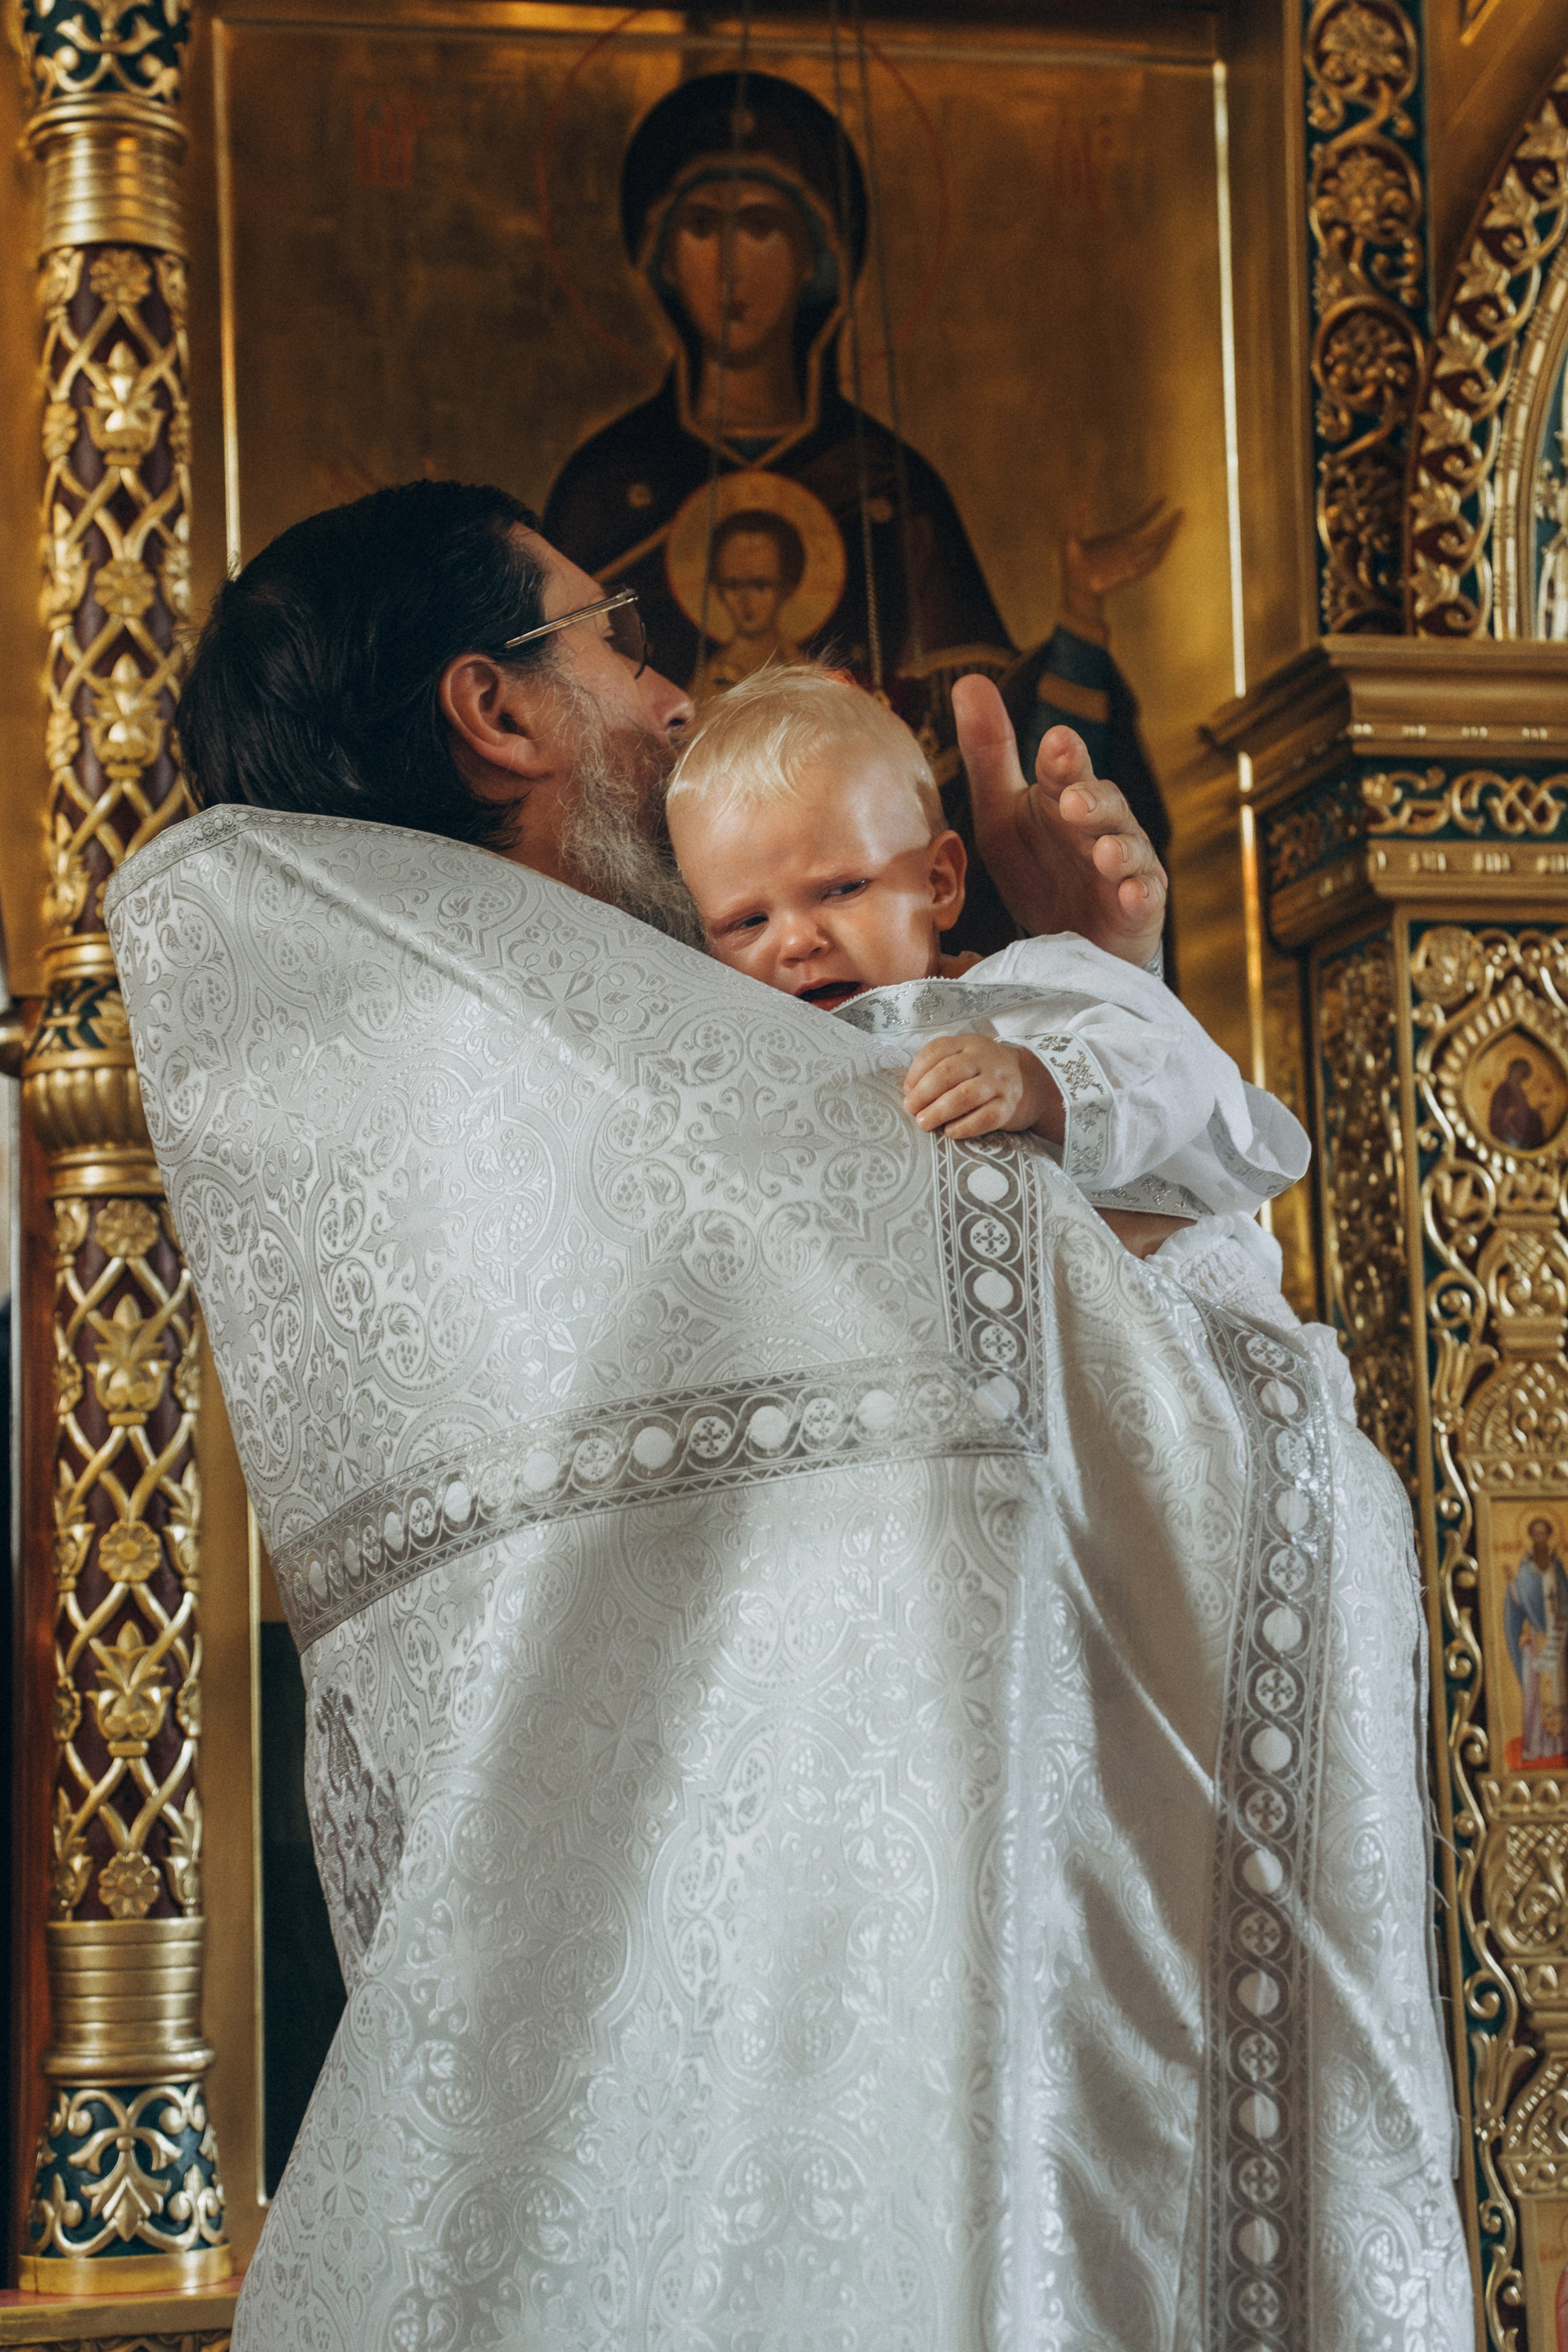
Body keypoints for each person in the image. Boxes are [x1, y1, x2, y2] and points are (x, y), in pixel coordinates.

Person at [107, 481, 1468, 2351]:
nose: (677, 704)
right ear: (496, 713)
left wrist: (1082, 1006)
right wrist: (1092, 1022)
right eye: (617, 640)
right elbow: (1219, 1433)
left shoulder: (460, 1122)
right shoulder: (668, 1127)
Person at [543, 69, 1178, 958]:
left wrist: (1075, 630)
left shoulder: (888, 484)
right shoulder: (610, 487)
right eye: (701, 227)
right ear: (659, 258)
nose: (729, 266)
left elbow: (974, 745)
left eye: (761, 227)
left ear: (817, 258)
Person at [1506, 1515, 1568, 1765]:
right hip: (1534, 1637)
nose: (1541, 1538)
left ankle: (1561, 1744)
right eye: (1537, 1534)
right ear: (1532, 1537)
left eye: (1545, 1533)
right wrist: (1512, 1585)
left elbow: (1565, 1598)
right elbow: (1518, 1602)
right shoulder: (1525, 1569)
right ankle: (1537, 1746)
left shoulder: (1557, 1567)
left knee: (1560, 1689)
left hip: (1557, 1636)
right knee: (1535, 1693)